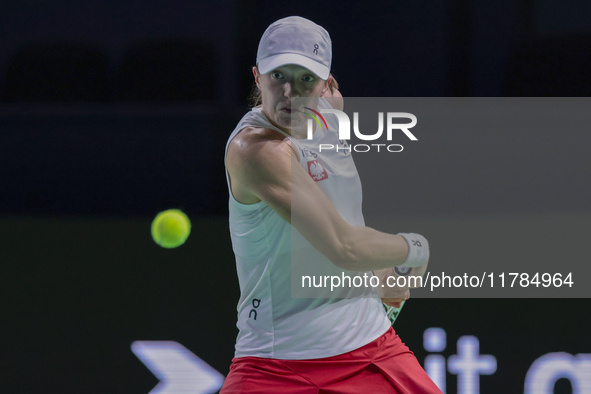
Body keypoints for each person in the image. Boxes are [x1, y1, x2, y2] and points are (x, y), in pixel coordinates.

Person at [221, 16, 441, 394]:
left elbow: (343, 211)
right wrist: (414, 248)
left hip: (371, 350)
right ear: (257, 77)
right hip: (276, 367)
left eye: (306, 78)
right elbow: (344, 246)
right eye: (278, 77)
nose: (291, 93)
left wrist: (385, 273)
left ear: (327, 83)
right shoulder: (254, 150)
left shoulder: (332, 114)